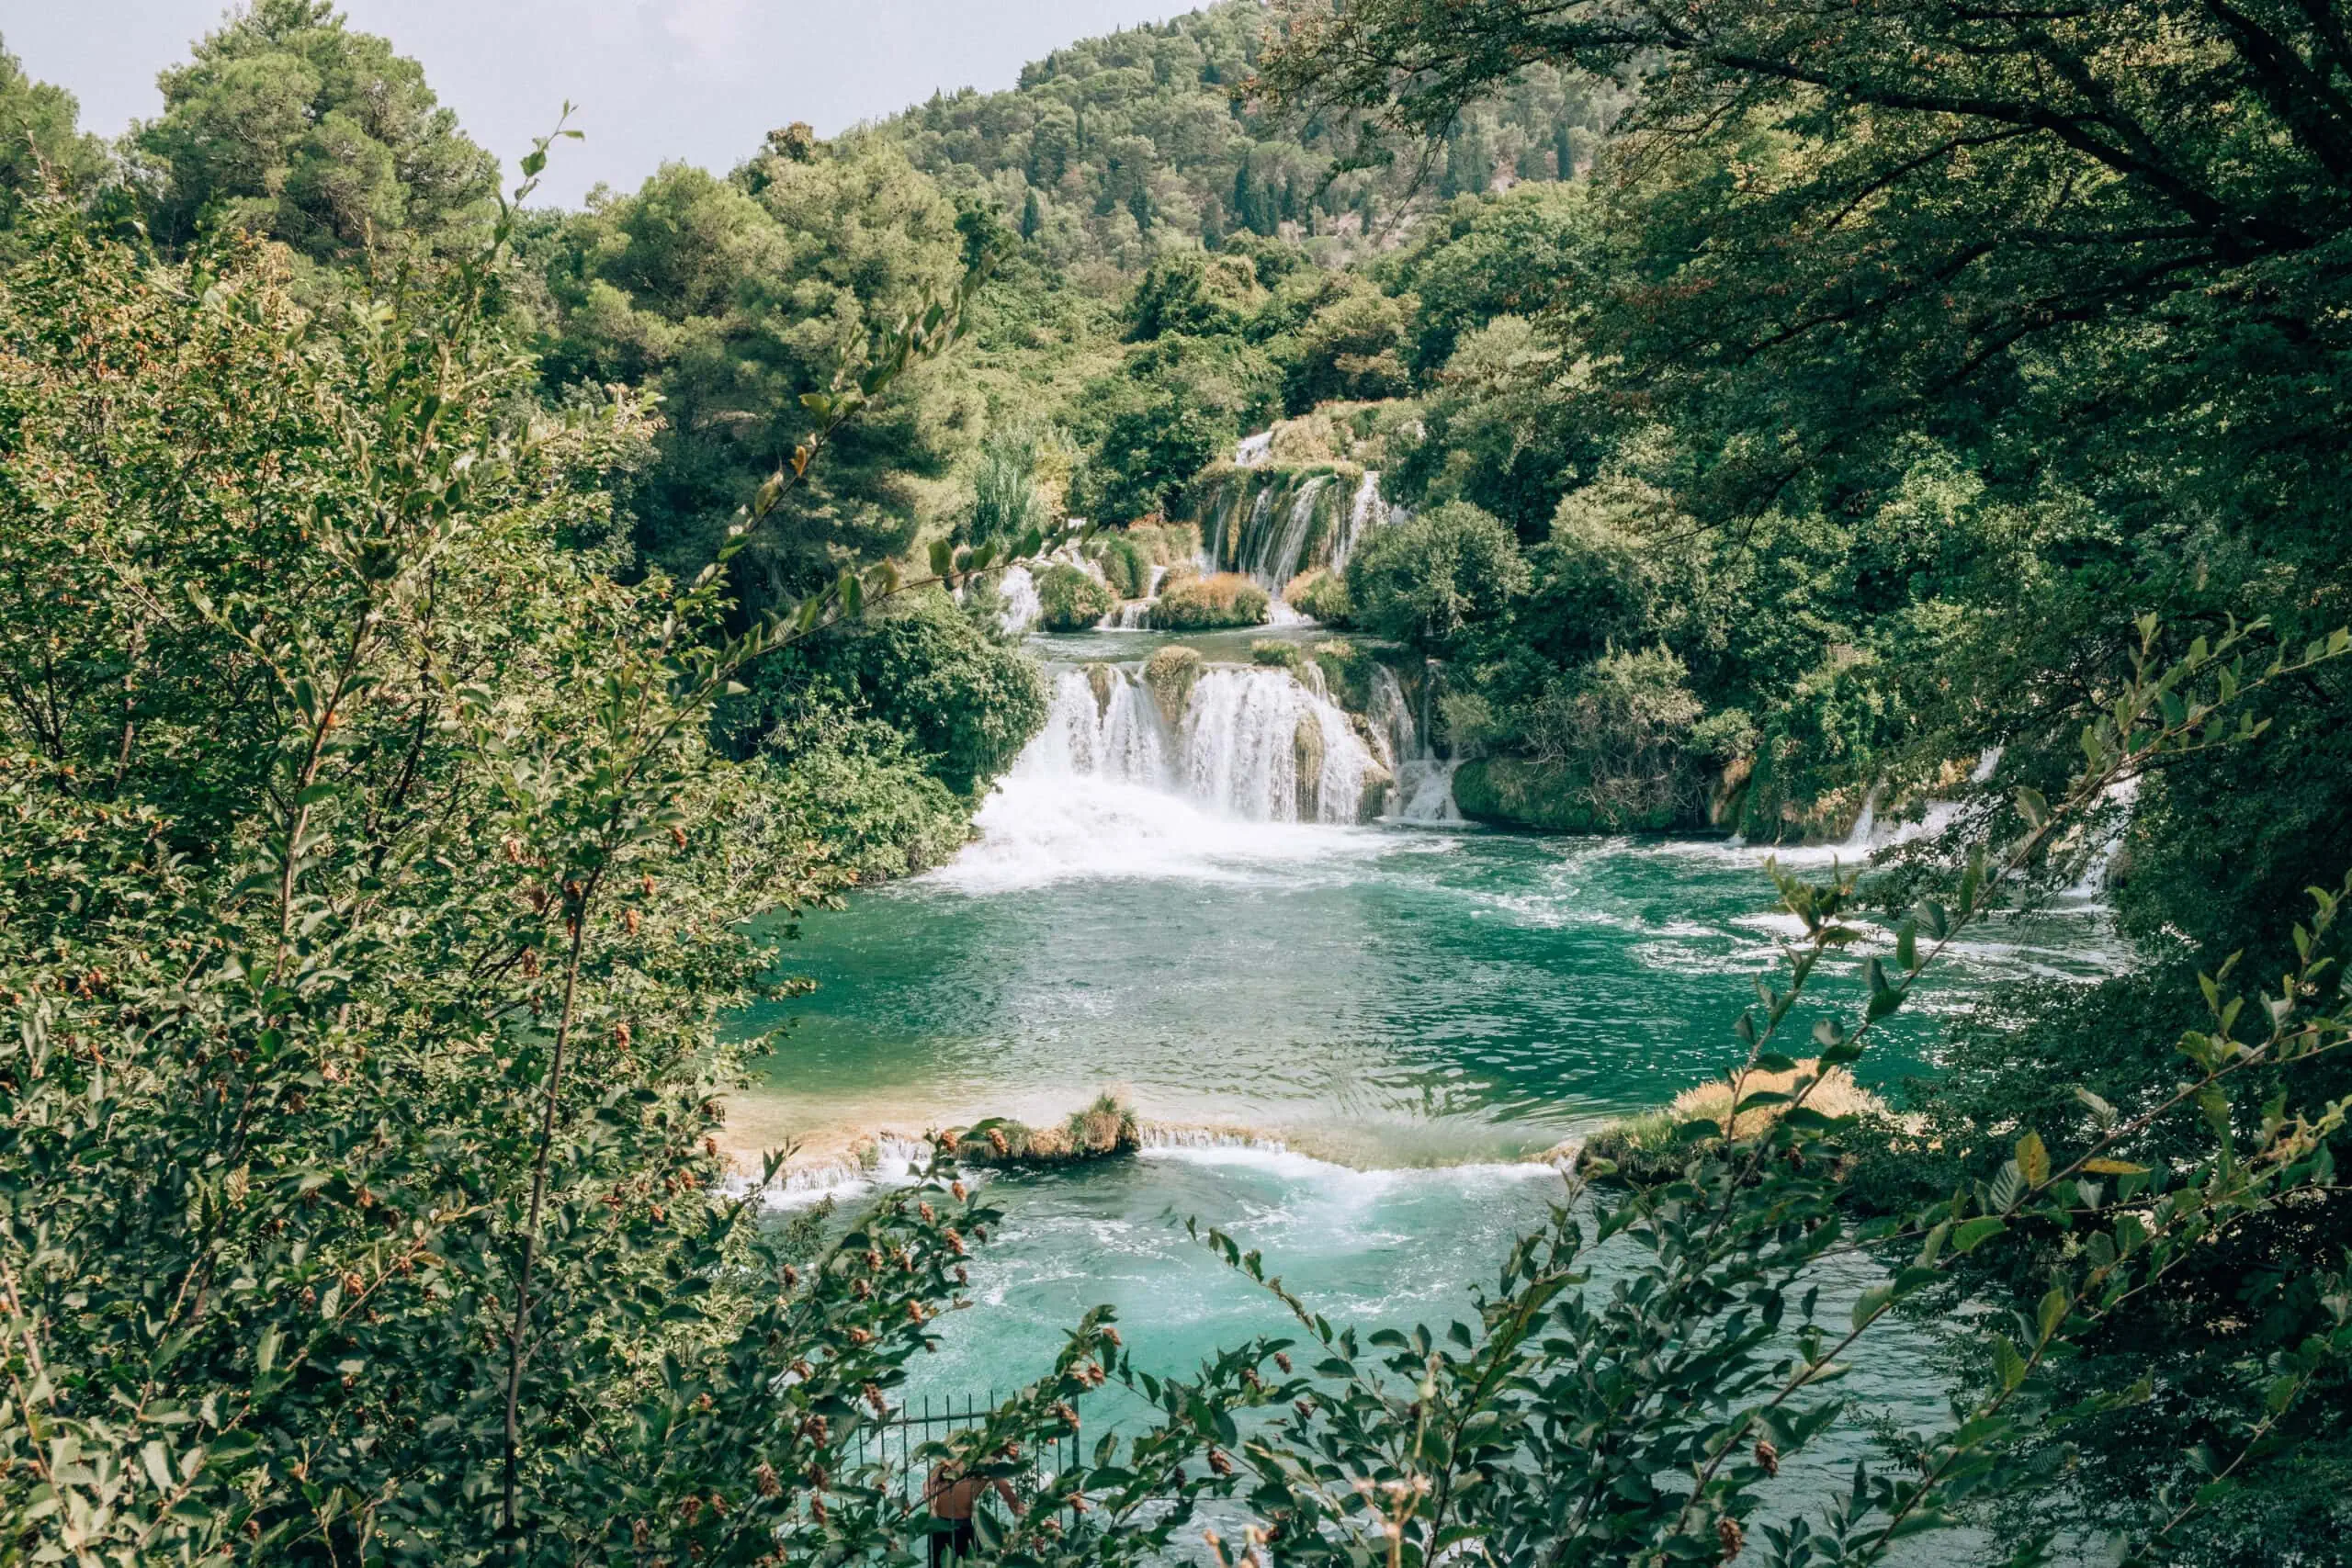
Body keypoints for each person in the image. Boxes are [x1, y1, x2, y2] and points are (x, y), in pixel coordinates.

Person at [925, 1460, 1016, 1566]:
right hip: (947, 1526)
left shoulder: (987, 1463)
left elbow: (1011, 1499)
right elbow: (928, 1484)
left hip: (953, 1526)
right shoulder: (956, 1456)